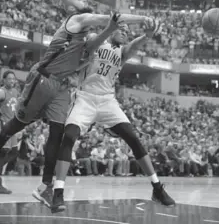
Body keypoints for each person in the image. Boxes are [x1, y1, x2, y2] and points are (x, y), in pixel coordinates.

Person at [0, 0, 149, 207]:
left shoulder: (89, 38)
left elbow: (99, 39)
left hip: (62, 87)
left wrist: (107, 37)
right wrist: (142, 18)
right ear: (75, 7)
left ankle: (47, 187)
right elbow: (108, 19)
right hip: (43, 78)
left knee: (58, 133)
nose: (81, 0)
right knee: (19, 123)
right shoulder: (75, 21)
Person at [51, 20, 175, 213]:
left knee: (133, 138)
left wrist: (147, 36)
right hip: (85, 97)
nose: (125, 33)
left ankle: (157, 188)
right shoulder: (95, 40)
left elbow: (132, 47)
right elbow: (93, 41)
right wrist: (110, 27)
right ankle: (58, 192)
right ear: (111, 30)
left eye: (127, 31)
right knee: (68, 137)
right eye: (122, 30)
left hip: (107, 100)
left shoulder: (121, 52)